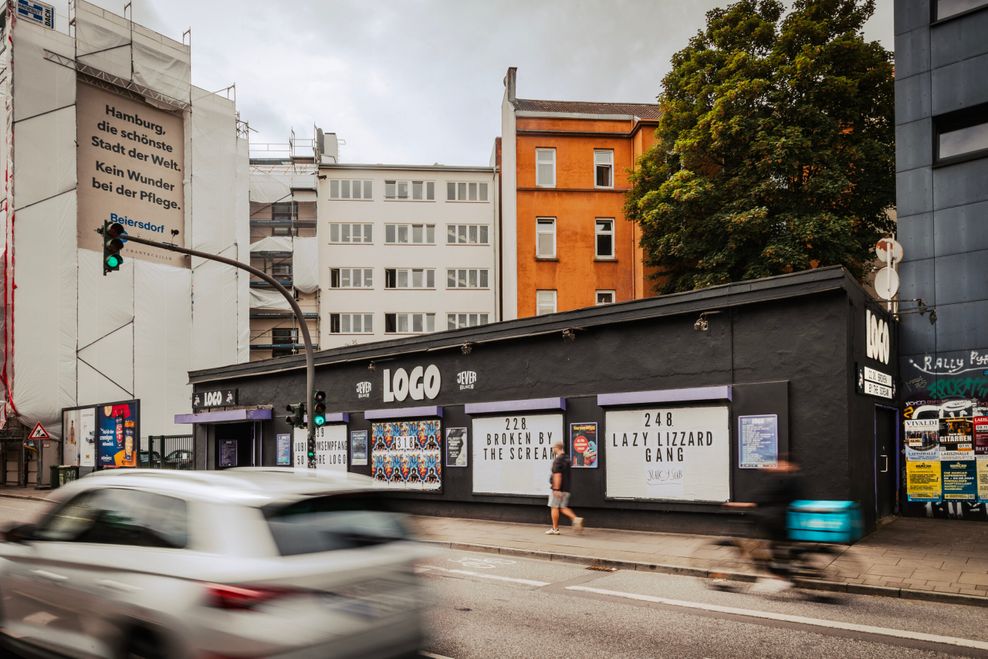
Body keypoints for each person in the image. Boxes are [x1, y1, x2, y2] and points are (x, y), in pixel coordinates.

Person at [726, 457, 806, 591]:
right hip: (783, 519)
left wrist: (738, 505)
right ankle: (780, 575)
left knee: (774, 547)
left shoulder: (782, 480)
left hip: (776, 520)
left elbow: (761, 499)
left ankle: (780, 578)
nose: (775, 466)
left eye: (779, 464)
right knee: (776, 547)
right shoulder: (792, 478)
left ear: (786, 465)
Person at [546, 442, 584, 535]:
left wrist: (556, 489)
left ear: (556, 448)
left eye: (553, 448)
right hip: (566, 488)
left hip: (559, 489)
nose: (553, 449)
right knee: (563, 507)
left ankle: (555, 529)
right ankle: (575, 519)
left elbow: (557, 475)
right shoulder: (567, 459)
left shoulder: (558, 460)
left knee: (554, 507)